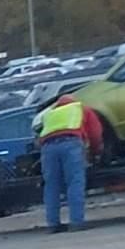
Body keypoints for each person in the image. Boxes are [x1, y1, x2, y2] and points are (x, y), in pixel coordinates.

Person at [35, 90, 90, 233]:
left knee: (51, 186)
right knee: (74, 183)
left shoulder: (49, 114)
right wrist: (97, 151)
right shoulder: (80, 108)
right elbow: (95, 132)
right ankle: (76, 223)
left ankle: (53, 225)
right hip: (70, 144)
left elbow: (38, 133)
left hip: (48, 148)